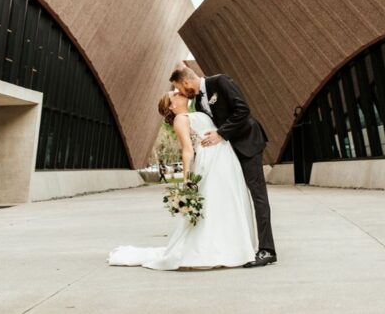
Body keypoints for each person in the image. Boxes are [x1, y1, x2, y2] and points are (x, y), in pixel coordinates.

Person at [107, 90, 256, 270]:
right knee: (212, 203)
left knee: (226, 202)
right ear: (171, 105)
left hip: (224, 160)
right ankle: (216, 249)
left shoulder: (199, 112)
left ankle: (233, 246)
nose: (179, 93)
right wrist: (187, 180)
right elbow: (187, 150)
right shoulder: (180, 119)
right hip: (208, 164)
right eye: (174, 94)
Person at [171, 67, 277, 268]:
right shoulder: (197, 103)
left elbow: (242, 110)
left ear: (185, 82)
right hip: (227, 154)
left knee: (258, 196)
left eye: (179, 89)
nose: (181, 94)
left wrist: (221, 134)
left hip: (247, 145)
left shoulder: (219, 82)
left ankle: (267, 250)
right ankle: (240, 246)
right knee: (235, 199)